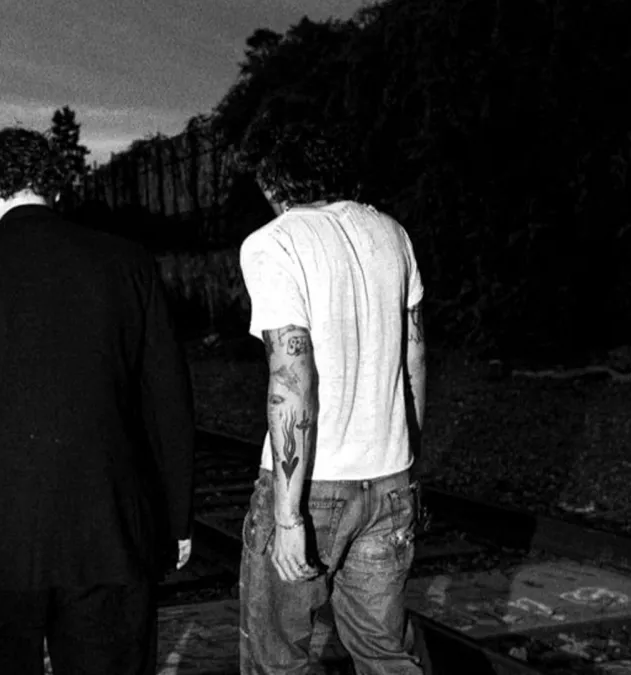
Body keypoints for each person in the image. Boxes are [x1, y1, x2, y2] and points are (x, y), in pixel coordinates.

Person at [0, 127, 196, 675]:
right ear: (55, 190)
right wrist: (177, 517)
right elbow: (168, 402)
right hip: (109, 529)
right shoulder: (127, 262)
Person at [237, 129, 427, 675]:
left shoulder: (274, 242)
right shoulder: (392, 234)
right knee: (386, 655)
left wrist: (287, 517)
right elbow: (414, 359)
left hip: (312, 489)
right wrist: (410, 466)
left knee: (277, 661)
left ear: (274, 185)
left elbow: (292, 375)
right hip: (388, 479)